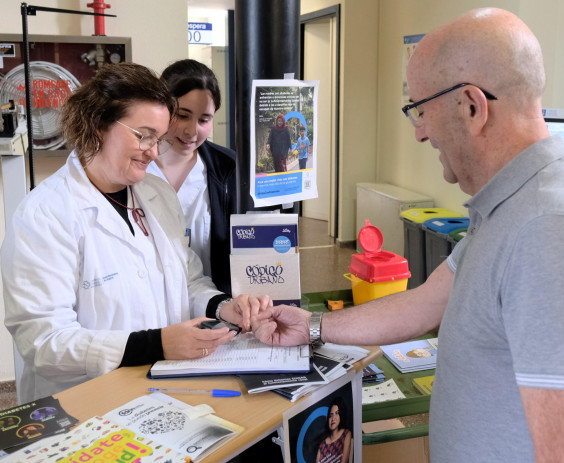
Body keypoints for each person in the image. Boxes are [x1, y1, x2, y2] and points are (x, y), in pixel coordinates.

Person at [251, 8, 564, 462]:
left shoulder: (551, 235)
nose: (420, 133)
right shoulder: (515, 203)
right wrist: (311, 327)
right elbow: (428, 301)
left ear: (471, 106)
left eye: (420, 110)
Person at [1, 63, 264, 403]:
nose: (154, 152)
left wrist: (223, 306)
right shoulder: (45, 215)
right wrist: (156, 343)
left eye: (158, 138)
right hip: (83, 403)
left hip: (161, 390)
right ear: (98, 125)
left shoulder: (157, 195)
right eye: (143, 136)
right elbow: (43, 342)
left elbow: (188, 279)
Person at [147, 59, 236, 294]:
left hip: (212, 309)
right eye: (182, 115)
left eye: (204, 120)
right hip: (149, 310)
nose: (192, 131)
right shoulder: (135, 165)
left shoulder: (227, 168)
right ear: (162, 107)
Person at [316, 397, 352, 463]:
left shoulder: (346, 434)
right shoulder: (322, 444)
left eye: (337, 413)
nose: (333, 418)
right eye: (330, 415)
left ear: (341, 415)